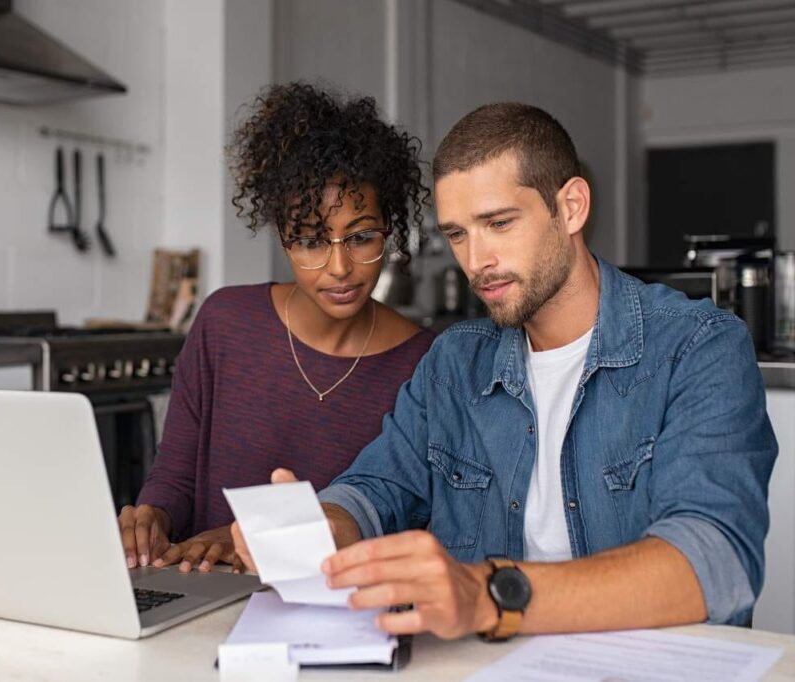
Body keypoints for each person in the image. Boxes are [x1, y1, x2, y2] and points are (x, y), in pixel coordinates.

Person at [233, 102, 778, 640]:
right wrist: (322, 525)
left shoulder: (698, 346)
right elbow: (378, 487)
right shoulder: (453, 363)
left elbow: (716, 562)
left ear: (571, 207)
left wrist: (490, 595)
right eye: (458, 233)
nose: (476, 260)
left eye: (498, 223)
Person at [118, 82, 435, 573]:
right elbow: (176, 476)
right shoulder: (225, 323)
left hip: (335, 614)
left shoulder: (424, 363)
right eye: (310, 241)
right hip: (201, 595)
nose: (339, 268)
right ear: (283, 240)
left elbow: (404, 518)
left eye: (361, 237)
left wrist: (250, 539)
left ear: (389, 230)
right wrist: (151, 518)